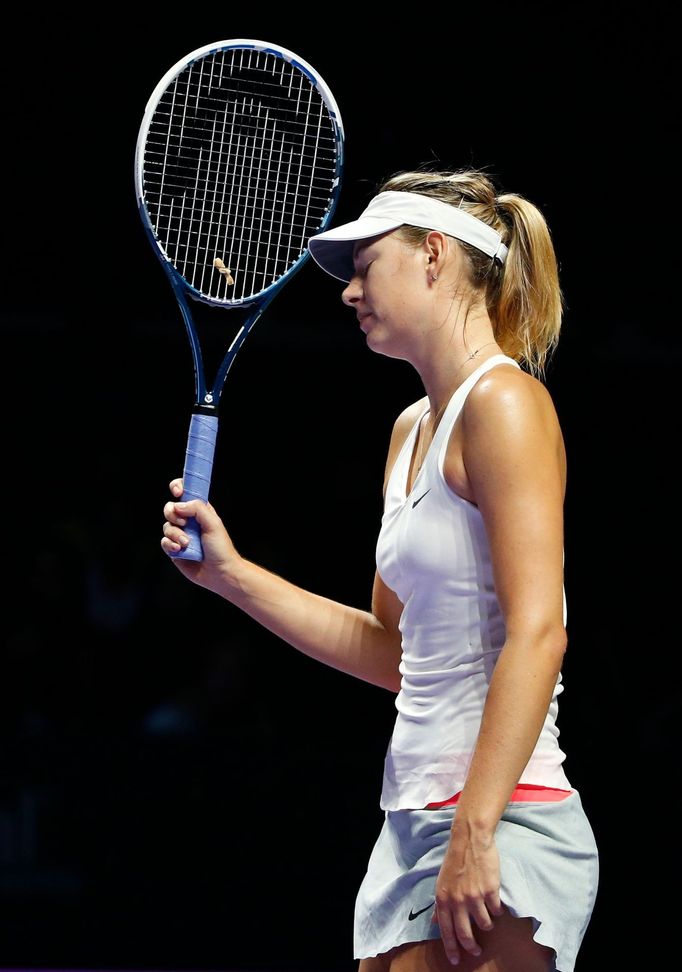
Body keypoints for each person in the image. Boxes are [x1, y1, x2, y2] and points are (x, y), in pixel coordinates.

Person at [161, 168, 599, 971]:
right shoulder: (410, 432)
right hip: (411, 820)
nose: (348, 292)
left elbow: (540, 634)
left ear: (434, 255)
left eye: (366, 266)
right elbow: (395, 654)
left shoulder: (506, 404)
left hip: (503, 817)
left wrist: (475, 830)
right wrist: (231, 575)